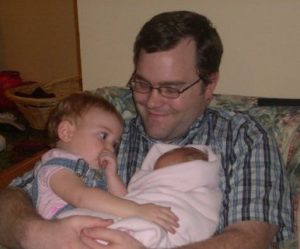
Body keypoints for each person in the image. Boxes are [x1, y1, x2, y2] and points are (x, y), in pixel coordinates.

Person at [0, 10, 293, 249]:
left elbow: (251, 237)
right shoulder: (108, 130)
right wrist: (36, 234)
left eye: (170, 88)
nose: (152, 101)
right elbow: (14, 196)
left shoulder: (243, 137)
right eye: (142, 84)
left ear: (209, 85)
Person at [32, 92, 178, 233]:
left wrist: (111, 176)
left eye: (114, 143)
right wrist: (138, 210)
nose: (109, 148)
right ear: (66, 132)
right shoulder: (56, 167)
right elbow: (81, 197)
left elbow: (124, 199)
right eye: (103, 136)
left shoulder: (93, 172)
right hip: (65, 233)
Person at [64, 143, 221, 248]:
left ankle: (136, 234)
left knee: (148, 228)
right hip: (129, 215)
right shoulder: (150, 184)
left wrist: (139, 211)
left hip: (155, 229)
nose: (167, 151)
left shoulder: (195, 190)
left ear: (189, 164)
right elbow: (126, 201)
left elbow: (190, 217)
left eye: (174, 151)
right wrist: (111, 175)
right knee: (78, 218)